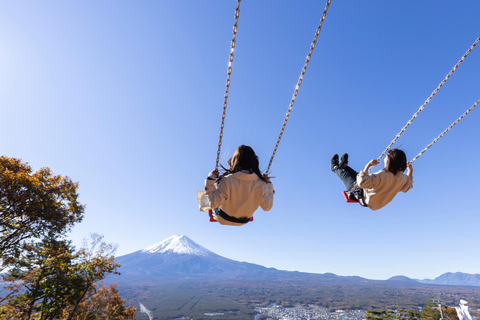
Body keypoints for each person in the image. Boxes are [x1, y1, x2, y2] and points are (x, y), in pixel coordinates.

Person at [204, 145, 274, 226]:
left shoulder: (227, 180)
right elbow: (267, 207)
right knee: (252, 194)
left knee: (209, 191)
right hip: (244, 221)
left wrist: (210, 179)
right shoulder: (261, 184)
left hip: (223, 218)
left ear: (235, 160)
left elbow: (213, 203)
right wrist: (268, 184)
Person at [331, 149, 413, 210]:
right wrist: (410, 171)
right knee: (357, 175)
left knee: (346, 176)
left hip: (362, 197)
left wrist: (368, 166)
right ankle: (344, 166)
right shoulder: (402, 178)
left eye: (386, 157)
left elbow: (362, 183)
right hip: (376, 202)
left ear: (389, 161)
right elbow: (407, 185)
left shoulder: (382, 176)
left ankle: (334, 167)